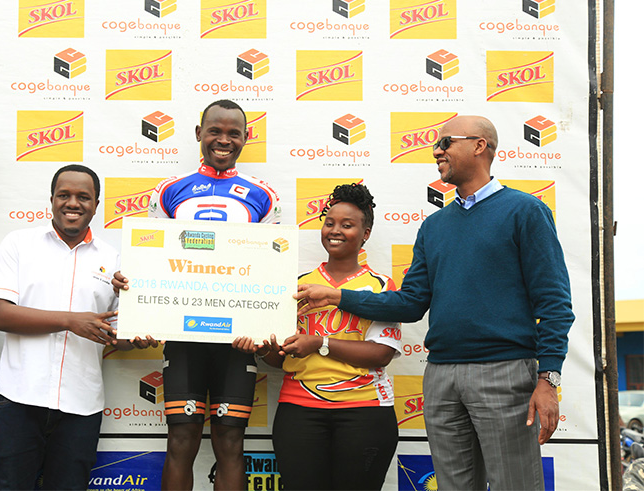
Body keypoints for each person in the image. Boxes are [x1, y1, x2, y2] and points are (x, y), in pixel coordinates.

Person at [295, 115, 575, 491]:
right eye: (435, 145)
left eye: (445, 143)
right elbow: (411, 304)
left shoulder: (525, 211)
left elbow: (555, 302)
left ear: (479, 146)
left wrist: (548, 379)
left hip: (504, 372)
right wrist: (336, 295)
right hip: (441, 376)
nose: (437, 151)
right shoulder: (434, 226)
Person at [114, 99, 281, 490]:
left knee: (231, 442)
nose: (223, 140)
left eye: (233, 133)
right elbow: (152, 259)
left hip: (236, 342)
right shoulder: (170, 190)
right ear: (198, 134)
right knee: (181, 441)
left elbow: (269, 266)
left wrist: (261, 327)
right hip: (184, 336)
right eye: (215, 131)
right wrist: (134, 286)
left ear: (245, 138)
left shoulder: (264, 196)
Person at [0, 165, 145, 490]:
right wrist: (71, 320)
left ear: (96, 204)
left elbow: (116, 333)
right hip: (19, 398)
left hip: (80, 405)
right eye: (64, 195)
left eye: (83, 197)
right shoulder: (19, 244)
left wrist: (137, 335)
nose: (73, 203)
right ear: (52, 200)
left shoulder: (112, 259)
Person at [236, 183, 400, 490]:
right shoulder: (295, 285)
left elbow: (381, 354)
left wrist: (320, 343)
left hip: (364, 411)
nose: (335, 231)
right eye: (329, 223)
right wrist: (263, 348)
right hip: (299, 411)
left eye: (347, 225)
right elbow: (277, 359)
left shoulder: (380, 286)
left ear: (365, 234)